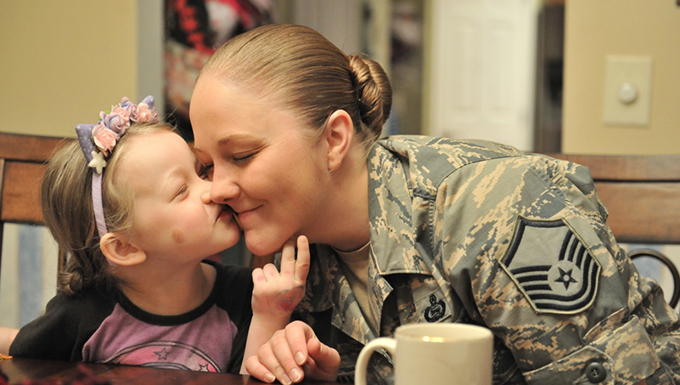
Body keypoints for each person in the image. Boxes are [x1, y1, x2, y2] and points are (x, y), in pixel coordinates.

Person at [188, 23, 680, 385]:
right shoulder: (290, 250)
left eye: (242, 155)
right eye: (207, 165)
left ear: (334, 139)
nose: (215, 188)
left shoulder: (498, 210)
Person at [9, 96, 309, 377]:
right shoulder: (81, 316)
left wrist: (269, 318)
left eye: (201, 173)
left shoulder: (247, 296)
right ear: (125, 247)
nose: (214, 189)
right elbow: (20, 351)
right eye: (181, 190)